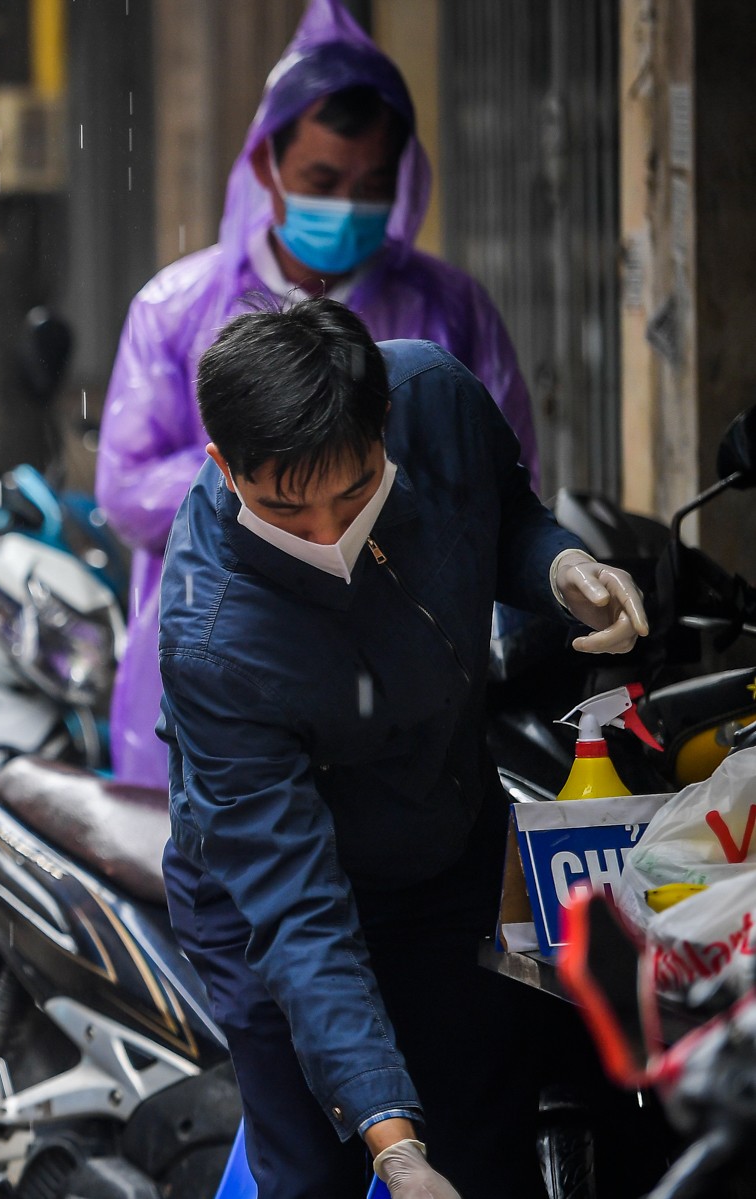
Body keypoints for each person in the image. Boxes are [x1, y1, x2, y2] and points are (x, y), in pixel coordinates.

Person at [156, 297, 647, 1197]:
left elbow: (501, 512)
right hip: (276, 896)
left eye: (352, 495)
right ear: (225, 467)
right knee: (319, 1170)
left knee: (481, 1139)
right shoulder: (212, 635)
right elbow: (300, 912)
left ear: (386, 422)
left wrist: (561, 568)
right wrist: (394, 1147)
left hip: (447, 849)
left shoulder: (436, 395)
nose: (327, 537)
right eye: (284, 510)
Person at [95, 0, 538, 791]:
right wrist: (284, 475)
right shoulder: (176, 307)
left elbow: (505, 478)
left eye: (372, 185)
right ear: (267, 165)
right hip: (225, 656)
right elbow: (125, 492)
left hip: (406, 670)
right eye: (323, 181)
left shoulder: (451, 309)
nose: (348, 205)